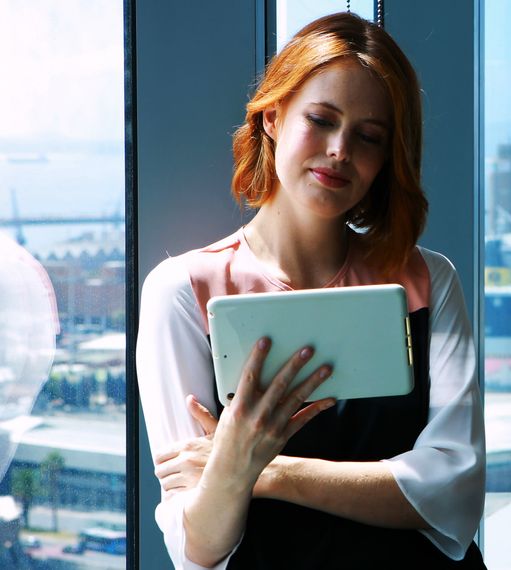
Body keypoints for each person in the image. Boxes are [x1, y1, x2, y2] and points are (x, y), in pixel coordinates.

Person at [136, 12, 485, 569]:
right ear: (272, 116)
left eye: (368, 136)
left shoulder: (428, 280)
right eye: (321, 120)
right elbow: (196, 548)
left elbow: (453, 486)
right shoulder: (183, 293)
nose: (341, 150)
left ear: (386, 158)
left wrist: (260, 470)